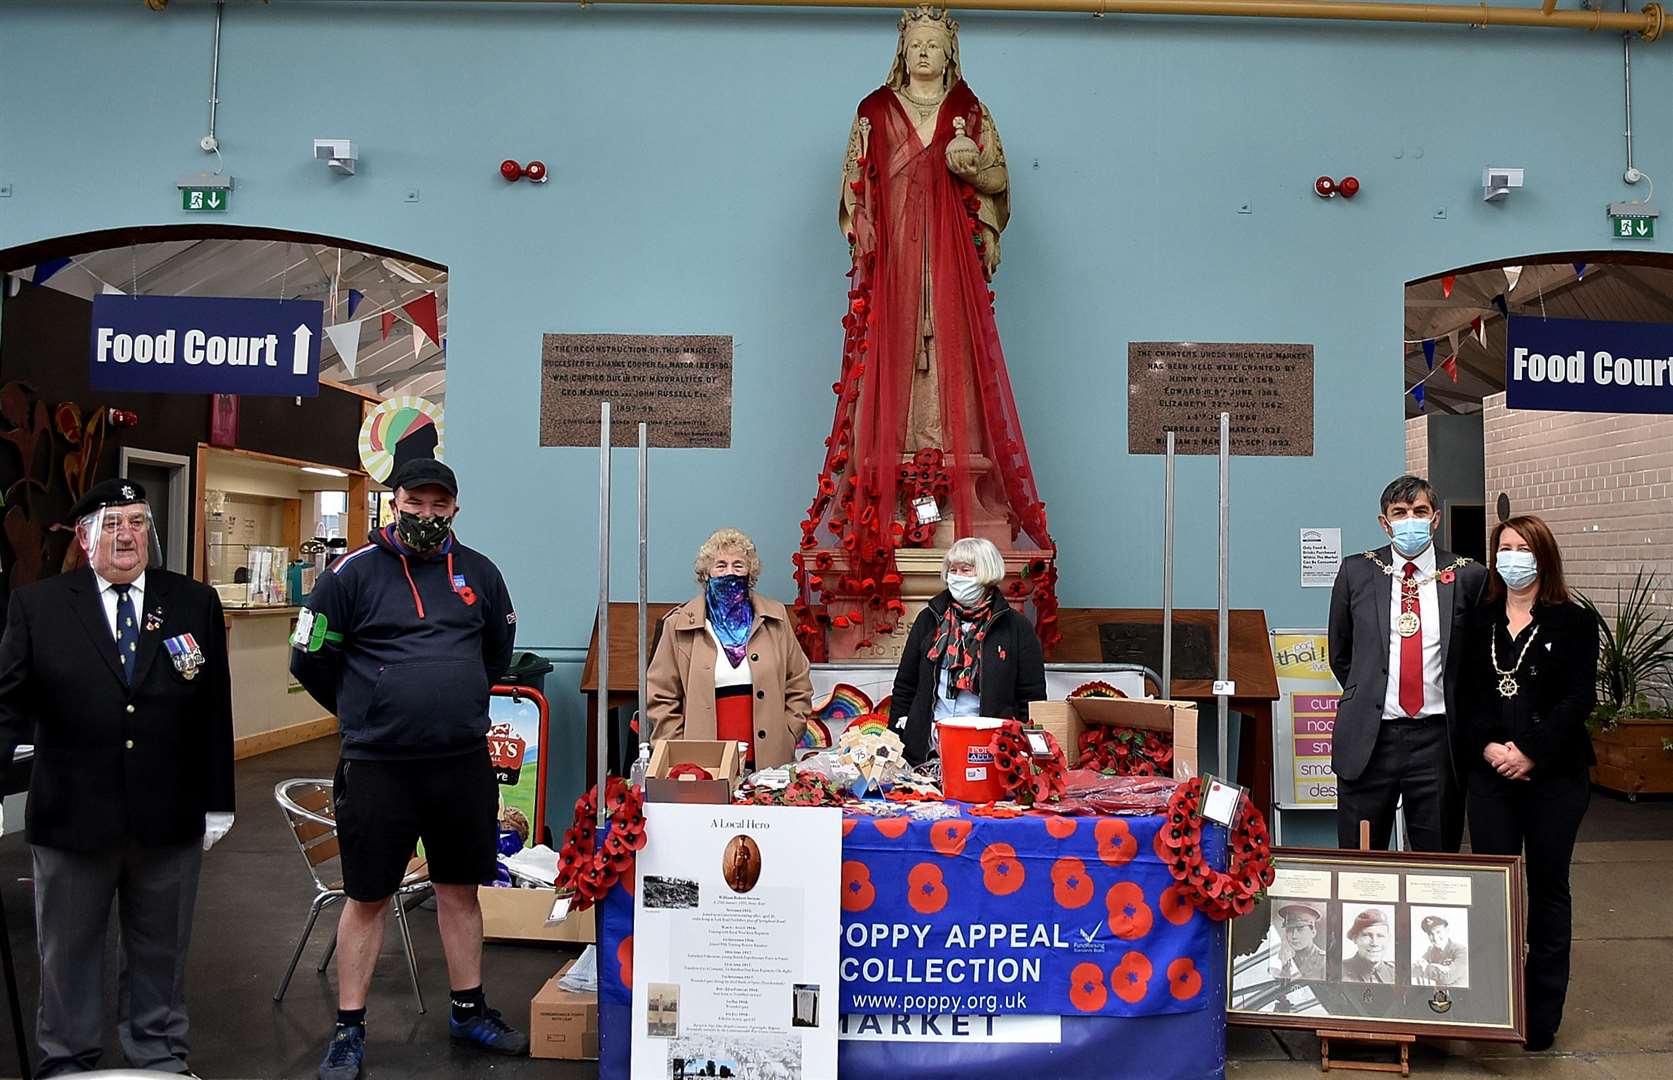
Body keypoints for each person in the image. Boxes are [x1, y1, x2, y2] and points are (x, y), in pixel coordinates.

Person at [793, 4, 1056, 656]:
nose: (924, 56)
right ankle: (899, 464)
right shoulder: (874, 110)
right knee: (893, 354)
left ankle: (950, 458)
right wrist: (865, 228)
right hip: (897, 265)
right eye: (916, 45)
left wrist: (971, 170)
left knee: (952, 360)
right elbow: (854, 185)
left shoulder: (968, 109)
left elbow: (997, 182)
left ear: (950, 54)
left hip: (949, 261)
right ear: (901, 50)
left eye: (934, 46)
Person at [290, 458, 523, 1079]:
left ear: (455, 507)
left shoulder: (481, 572)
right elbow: (308, 657)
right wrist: (363, 708)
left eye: (438, 505)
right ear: (393, 502)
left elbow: (495, 653)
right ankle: (348, 1029)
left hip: (460, 762)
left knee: (459, 889)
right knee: (368, 895)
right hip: (378, 765)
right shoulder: (349, 575)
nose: (426, 515)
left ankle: (468, 1011)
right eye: (414, 503)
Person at [0, 478, 234, 1076]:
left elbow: (212, 708)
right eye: (111, 523)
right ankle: (68, 1062)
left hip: (169, 816)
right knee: (67, 955)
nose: (126, 534)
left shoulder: (192, 602)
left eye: (136, 521)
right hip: (72, 819)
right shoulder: (41, 606)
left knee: (161, 951)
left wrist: (218, 802)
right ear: (85, 537)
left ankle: (158, 1059)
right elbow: (7, 709)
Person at [1457, 514, 1596, 1051]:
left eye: (1522, 547)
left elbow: (1577, 699)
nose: (1512, 556)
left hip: (1554, 778)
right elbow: (1466, 697)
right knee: (1494, 890)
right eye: (1504, 546)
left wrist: (1531, 753)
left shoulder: (1574, 622)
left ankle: (1541, 1019)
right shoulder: (1478, 620)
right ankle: (1494, 1005)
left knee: (1548, 889)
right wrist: (1492, 748)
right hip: (1491, 776)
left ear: (1543, 556)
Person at [1328, 475, 1488, 852]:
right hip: (1371, 737)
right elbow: (1341, 652)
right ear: (1385, 523)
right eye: (1399, 513)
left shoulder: (1469, 575)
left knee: (1436, 860)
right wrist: (1370, 691)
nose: (1409, 519)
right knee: (1361, 856)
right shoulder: (1357, 572)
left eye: (1419, 511)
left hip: (1437, 740)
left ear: (1435, 519)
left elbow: (1478, 659)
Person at [647, 528, 813, 771]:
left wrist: (789, 732)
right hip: (701, 765)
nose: (730, 573)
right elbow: (661, 695)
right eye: (721, 566)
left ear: (750, 572)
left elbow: (799, 682)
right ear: (706, 573)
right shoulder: (678, 624)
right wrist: (677, 747)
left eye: (738, 565)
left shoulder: (775, 619)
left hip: (769, 763)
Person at [889, 536, 1047, 765]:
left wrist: (1024, 749)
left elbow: (1031, 697)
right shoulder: (929, 619)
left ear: (986, 573)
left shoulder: (1016, 627)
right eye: (952, 570)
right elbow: (905, 684)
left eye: (966, 570)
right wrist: (895, 738)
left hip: (990, 751)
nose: (956, 577)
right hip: (929, 748)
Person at [1274, 903, 1327, 981]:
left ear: (1313, 932)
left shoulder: (1325, 961)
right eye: (1290, 930)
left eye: (1300, 929)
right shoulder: (1285, 961)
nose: (1294, 936)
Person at [1341, 908, 1395, 984]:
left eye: (1380, 936)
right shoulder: (1339, 971)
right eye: (1367, 935)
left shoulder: (1395, 974)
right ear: (1355, 938)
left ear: (1388, 939)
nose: (1374, 943)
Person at [1415, 914, 1468, 988]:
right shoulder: (1430, 952)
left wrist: (1428, 968)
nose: (1435, 938)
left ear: (1447, 931)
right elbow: (1417, 970)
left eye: (1438, 932)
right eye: (1431, 934)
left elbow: (1448, 977)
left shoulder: (1461, 951)